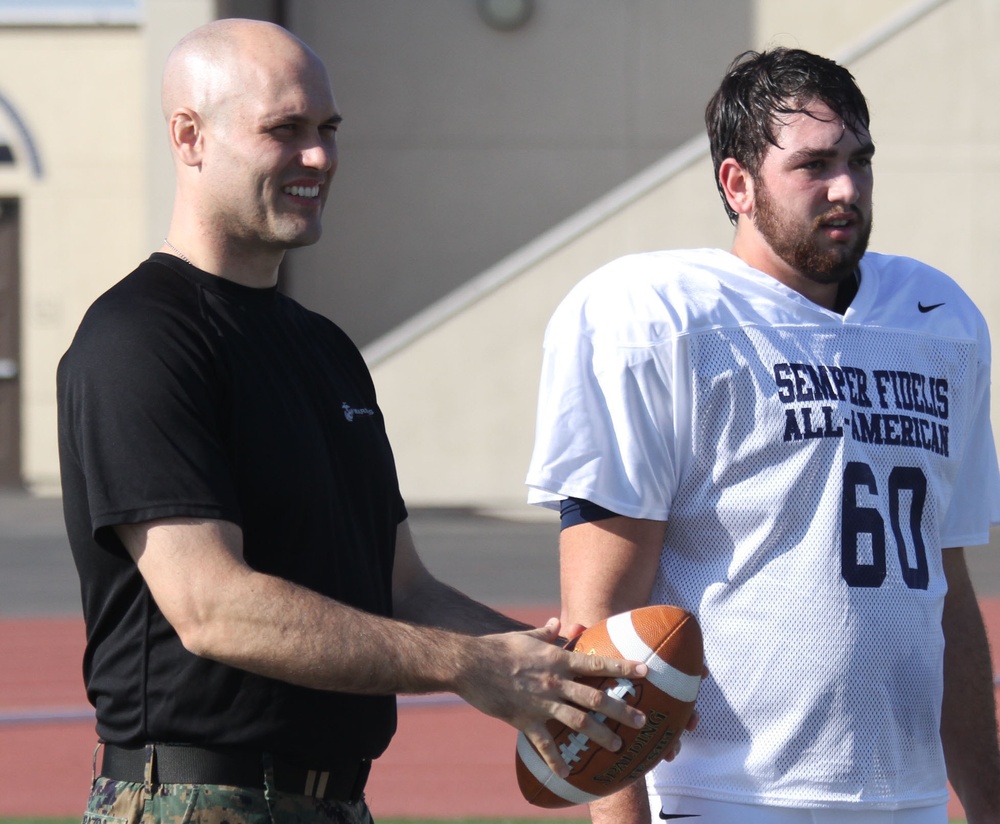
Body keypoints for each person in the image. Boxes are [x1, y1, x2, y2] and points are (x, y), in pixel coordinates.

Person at [56, 18, 651, 824]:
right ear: (189, 137)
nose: (319, 158)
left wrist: (565, 675)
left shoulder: (324, 348)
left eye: (327, 130)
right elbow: (210, 606)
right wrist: (472, 665)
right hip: (192, 801)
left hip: (335, 802)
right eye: (285, 131)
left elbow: (400, 585)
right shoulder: (140, 337)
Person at [526, 47, 1000, 824]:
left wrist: (987, 799)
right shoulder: (659, 319)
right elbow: (602, 620)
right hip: (727, 797)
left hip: (906, 799)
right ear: (737, 184)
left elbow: (944, 588)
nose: (846, 188)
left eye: (859, 159)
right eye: (814, 165)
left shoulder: (936, 319)